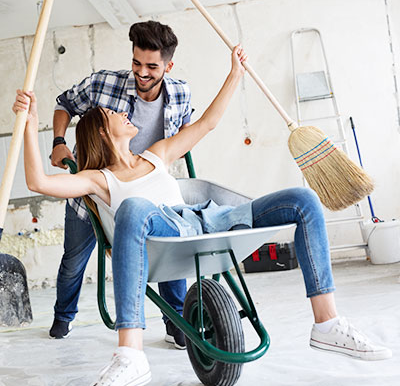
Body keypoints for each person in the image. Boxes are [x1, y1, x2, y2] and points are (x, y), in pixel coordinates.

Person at [14, 45, 391, 386]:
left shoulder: (156, 154)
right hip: (161, 234)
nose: (125, 111)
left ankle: (326, 322)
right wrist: (31, 126)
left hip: (207, 221)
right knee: (132, 207)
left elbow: (206, 124)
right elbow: (38, 181)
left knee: (302, 201)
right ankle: (130, 353)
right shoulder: (98, 179)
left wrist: (235, 75)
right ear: (101, 130)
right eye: (115, 112)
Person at [47, 20, 191, 347]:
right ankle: (63, 316)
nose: (142, 73)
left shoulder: (181, 92)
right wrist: (58, 141)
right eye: (136, 63)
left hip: (148, 191)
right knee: (74, 260)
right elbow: (64, 103)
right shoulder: (103, 84)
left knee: (169, 255)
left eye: (152, 67)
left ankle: (177, 322)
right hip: (96, 190)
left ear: (168, 65)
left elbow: (186, 125)